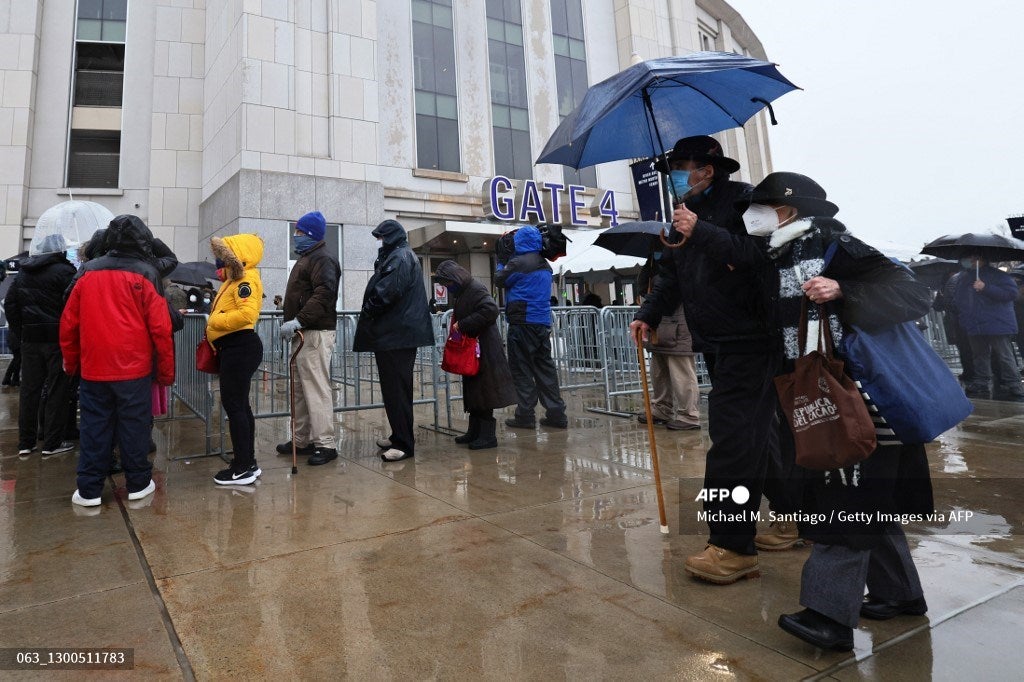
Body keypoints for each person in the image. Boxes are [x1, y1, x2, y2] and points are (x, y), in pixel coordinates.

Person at [682, 171, 935, 651]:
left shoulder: (839, 248)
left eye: (760, 207)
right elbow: (739, 258)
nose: (749, 217)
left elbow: (915, 293)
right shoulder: (777, 256)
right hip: (824, 399)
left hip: (861, 399)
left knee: (843, 506)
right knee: (867, 504)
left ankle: (827, 616)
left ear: (788, 211)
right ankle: (899, 594)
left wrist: (844, 292)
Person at [631, 136, 799, 583]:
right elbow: (671, 275)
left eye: (682, 165)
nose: (676, 174)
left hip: (753, 337)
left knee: (733, 441)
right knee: (758, 436)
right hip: (717, 340)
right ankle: (793, 515)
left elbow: (763, 255)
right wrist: (648, 313)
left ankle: (732, 546)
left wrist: (700, 230)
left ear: (707, 168)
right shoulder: (682, 213)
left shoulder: (748, 202)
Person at [61, 215, 174, 507]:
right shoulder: (147, 273)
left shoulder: (87, 272)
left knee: (94, 427)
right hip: (133, 370)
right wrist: (165, 372)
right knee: (134, 428)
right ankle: (138, 483)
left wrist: (72, 364)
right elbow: (161, 329)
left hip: (94, 368)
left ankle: (88, 490)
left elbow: (69, 324)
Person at [353, 219, 434, 462]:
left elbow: (386, 293)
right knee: (394, 390)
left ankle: (404, 443)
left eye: (381, 237)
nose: (379, 242)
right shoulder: (399, 256)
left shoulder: (400, 257)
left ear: (390, 237)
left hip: (397, 336)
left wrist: (368, 308)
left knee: (397, 390)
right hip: (395, 334)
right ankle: (398, 435)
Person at [276, 211, 342, 466]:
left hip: (314, 332)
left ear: (311, 234)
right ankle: (300, 439)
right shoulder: (309, 257)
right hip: (304, 332)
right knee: (301, 390)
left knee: (315, 388)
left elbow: (324, 293)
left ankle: (325, 443)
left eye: (300, 232)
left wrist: (299, 319)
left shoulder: (322, 259)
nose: (296, 235)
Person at [5, 233, 77, 457]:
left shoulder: (23, 272)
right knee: (57, 390)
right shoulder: (66, 272)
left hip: (31, 339)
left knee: (29, 391)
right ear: (60, 250)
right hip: (57, 340)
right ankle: (52, 442)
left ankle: (26, 442)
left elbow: (10, 304)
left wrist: (22, 330)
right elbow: (73, 306)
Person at [433, 260, 517, 449]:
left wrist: (463, 324)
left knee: (484, 391)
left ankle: (487, 436)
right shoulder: (465, 291)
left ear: (455, 278)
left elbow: (491, 310)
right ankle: (475, 431)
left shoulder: (475, 289)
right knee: (474, 391)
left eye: (447, 283)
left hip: (484, 349)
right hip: (474, 349)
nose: (447, 287)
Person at [496, 225, 568, 429]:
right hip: (541, 322)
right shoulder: (544, 264)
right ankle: (556, 414)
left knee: (521, 370)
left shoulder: (518, 263)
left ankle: (525, 415)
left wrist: (501, 262)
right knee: (545, 369)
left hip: (521, 323)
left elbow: (499, 280)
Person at [208, 234, 265, 485]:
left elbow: (246, 314)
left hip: (240, 347)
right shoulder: (235, 279)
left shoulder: (247, 279)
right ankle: (246, 461)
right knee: (240, 405)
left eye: (225, 254)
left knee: (236, 406)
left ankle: (243, 467)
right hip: (234, 348)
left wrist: (213, 321)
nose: (220, 260)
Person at [636, 253, 700, 431]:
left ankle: (689, 414)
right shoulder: (652, 263)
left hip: (679, 324)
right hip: (659, 325)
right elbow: (643, 288)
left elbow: (674, 290)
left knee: (682, 373)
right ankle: (661, 408)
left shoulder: (683, 261)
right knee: (659, 372)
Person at [950, 254, 1024, 401]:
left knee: (1004, 355)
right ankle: (982, 382)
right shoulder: (964, 278)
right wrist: (964, 317)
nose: (968, 261)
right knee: (979, 355)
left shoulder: (999, 276)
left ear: (981, 259)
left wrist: (986, 288)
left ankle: (1014, 383)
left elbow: (1011, 294)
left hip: (997, 323)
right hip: (975, 323)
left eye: (972, 258)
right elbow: (958, 299)